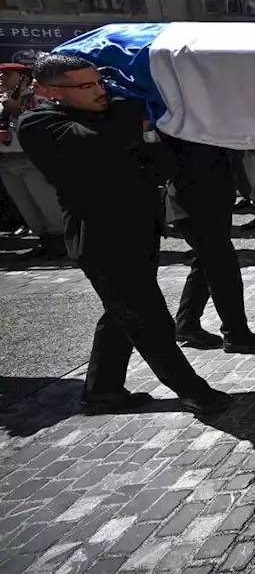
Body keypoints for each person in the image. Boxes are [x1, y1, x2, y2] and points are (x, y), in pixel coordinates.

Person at [19, 53, 231, 415]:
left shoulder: (110, 116)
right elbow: (97, 141)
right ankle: (193, 391)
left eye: (100, 81)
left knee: (121, 313)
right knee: (148, 317)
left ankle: (102, 390)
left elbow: (162, 162)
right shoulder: (39, 123)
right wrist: (129, 110)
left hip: (139, 228)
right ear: (49, 90)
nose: (101, 90)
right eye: (87, 86)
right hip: (101, 237)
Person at [166, 136, 255, 353]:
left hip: (210, 200)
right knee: (223, 267)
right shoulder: (183, 123)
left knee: (206, 261)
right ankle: (236, 335)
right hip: (195, 204)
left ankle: (187, 324)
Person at [0, 62, 65, 259]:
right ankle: (44, 240)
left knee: (46, 202)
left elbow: (42, 126)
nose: (1, 77)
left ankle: (61, 241)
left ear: (24, 79)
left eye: (7, 74)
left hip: (32, 159)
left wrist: (16, 111)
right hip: (6, 160)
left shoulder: (37, 99)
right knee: (25, 205)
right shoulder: (1, 100)